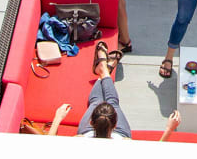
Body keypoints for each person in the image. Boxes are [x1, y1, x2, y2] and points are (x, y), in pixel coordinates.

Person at [47, 43, 182, 139]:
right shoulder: (124, 143)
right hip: (113, 134)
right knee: (103, 102)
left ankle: (104, 70)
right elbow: (152, 157)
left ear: (91, 122)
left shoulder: (80, 140)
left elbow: (47, 148)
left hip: (88, 132)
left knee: (103, 101)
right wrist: (169, 129)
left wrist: (58, 118)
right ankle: (104, 70)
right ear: (115, 125)